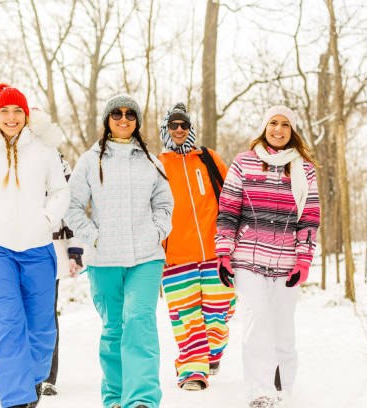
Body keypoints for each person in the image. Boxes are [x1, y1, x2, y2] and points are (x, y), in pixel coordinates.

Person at [0, 84, 70, 408]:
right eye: (4, 111)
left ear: (26, 114)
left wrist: (48, 219)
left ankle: (32, 379)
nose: (11, 117)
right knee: (6, 322)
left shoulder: (44, 150)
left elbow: (61, 192)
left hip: (37, 247)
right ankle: (16, 398)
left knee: (42, 325)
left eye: (17, 110)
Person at [65, 94, 173, 408]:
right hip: (104, 258)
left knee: (139, 321)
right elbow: (71, 207)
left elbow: (165, 204)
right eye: (116, 113)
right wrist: (93, 237)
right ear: (107, 120)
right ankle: (115, 396)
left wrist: (156, 231)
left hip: (146, 258)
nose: (123, 119)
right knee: (114, 327)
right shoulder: (89, 160)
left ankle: (141, 400)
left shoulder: (152, 161)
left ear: (137, 121)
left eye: (130, 114)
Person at [214, 105, 320, 407]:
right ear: (264, 127)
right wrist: (224, 253)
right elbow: (228, 210)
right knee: (257, 320)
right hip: (248, 259)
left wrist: (304, 260)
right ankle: (260, 391)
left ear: (292, 131)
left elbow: (309, 218)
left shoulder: (304, 169)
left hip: (287, 262)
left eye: (285, 124)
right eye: (273, 123)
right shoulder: (244, 163)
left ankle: (283, 385)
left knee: (282, 326)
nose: (278, 129)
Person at [157, 102, 236, 391]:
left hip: (217, 254)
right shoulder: (157, 165)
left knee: (219, 317)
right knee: (187, 319)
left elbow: (231, 198)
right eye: (173, 125)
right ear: (165, 129)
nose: (179, 130)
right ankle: (192, 370)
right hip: (176, 258)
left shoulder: (209, 159)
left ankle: (211, 353)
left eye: (184, 125)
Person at [41, 155, 84, 397]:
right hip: (12, 249)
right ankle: (23, 371)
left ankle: (46, 376)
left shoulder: (58, 163)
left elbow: (71, 208)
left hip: (50, 250)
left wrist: (75, 250)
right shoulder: (5, 156)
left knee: (46, 314)